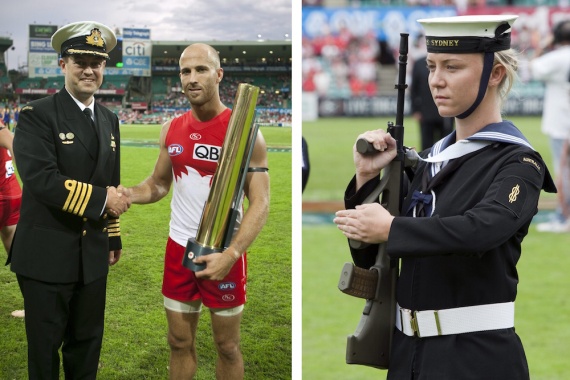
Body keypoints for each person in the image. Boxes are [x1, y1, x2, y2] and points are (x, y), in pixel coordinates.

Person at [334, 15, 556, 379]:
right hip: (408, 356)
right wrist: (368, 177)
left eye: (453, 67)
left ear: (494, 74)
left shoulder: (519, 163)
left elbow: (482, 229)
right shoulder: (429, 160)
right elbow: (369, 254)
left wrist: (392, 229)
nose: (436, 80)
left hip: (476, 357)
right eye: (432, 66)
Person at [123, 43, 270, 379]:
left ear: (218, 75)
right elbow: (159, 185)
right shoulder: (171, 128)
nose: (192, 78)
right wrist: (130, 193)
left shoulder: (245, 131)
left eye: (201, 69)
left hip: (223, 253)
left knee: (227, 347)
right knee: (178, 340)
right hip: (178, 248)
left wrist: (231, 254)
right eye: (185, 71)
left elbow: (260, 203)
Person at [7, 21, 130, 379]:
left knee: (87, 346)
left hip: (91, 254)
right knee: (44, 355)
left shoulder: (110, 120)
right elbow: (41, 181)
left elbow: (112, 182)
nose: (89, 70)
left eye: (97, 62)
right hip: (46, 256)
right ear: (63, 65)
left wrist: (113, 236)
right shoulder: (36, 115)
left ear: (104, 68)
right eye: (80, 61)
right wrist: (103, 201)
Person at [528, 19, 570, 233]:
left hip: (563, 124)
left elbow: (530, 68)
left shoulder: (557, 57)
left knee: (563, 173)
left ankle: (563, 218)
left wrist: (544, 44)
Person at [410, 33, 454, 150]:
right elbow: (414, 89)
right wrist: (416, 110)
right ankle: (426, 167)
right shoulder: (419, 63)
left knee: (446, 143)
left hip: (446, 111)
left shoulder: (448, 60)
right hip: (426, 112)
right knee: (426, 143)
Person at [0, 122, 23, 318]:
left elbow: (12, 142)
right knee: (18, 255)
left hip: (2, 195)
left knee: (18, 254)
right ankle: (34, 305)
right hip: (12, 192)